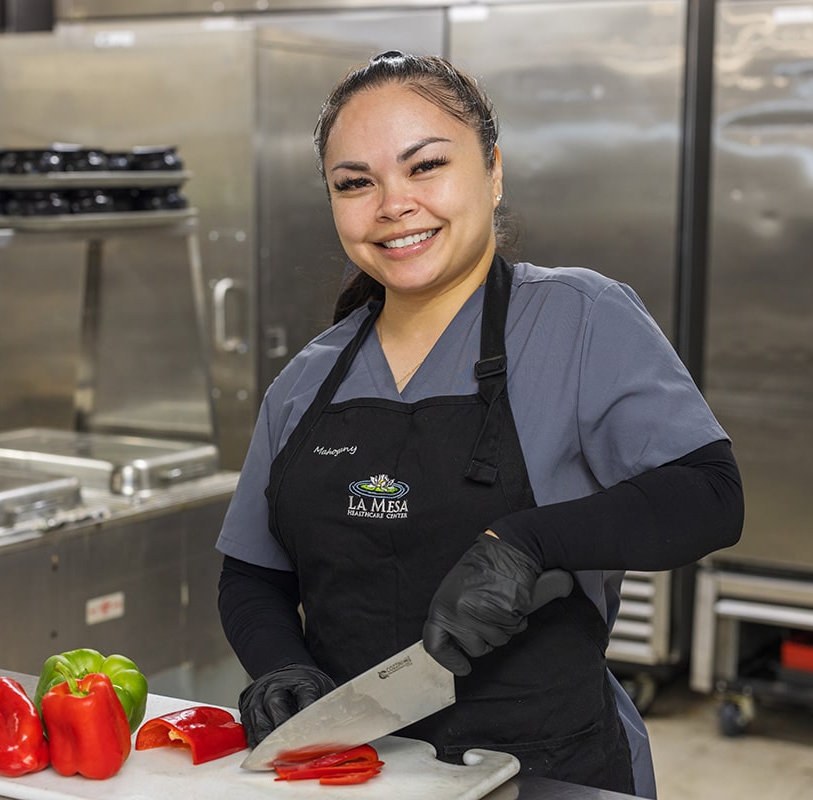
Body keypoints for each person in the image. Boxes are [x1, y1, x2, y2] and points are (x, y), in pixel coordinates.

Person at [215, 50, 743, 798]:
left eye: (425, 166)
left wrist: (529, 544)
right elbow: (252, 574)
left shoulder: (579, 318)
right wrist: (281, 664)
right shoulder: (308, 378)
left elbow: (710, 495)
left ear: (493, 171)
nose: (393, 203)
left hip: (549, 770)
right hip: (353, 772)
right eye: (355, 183)